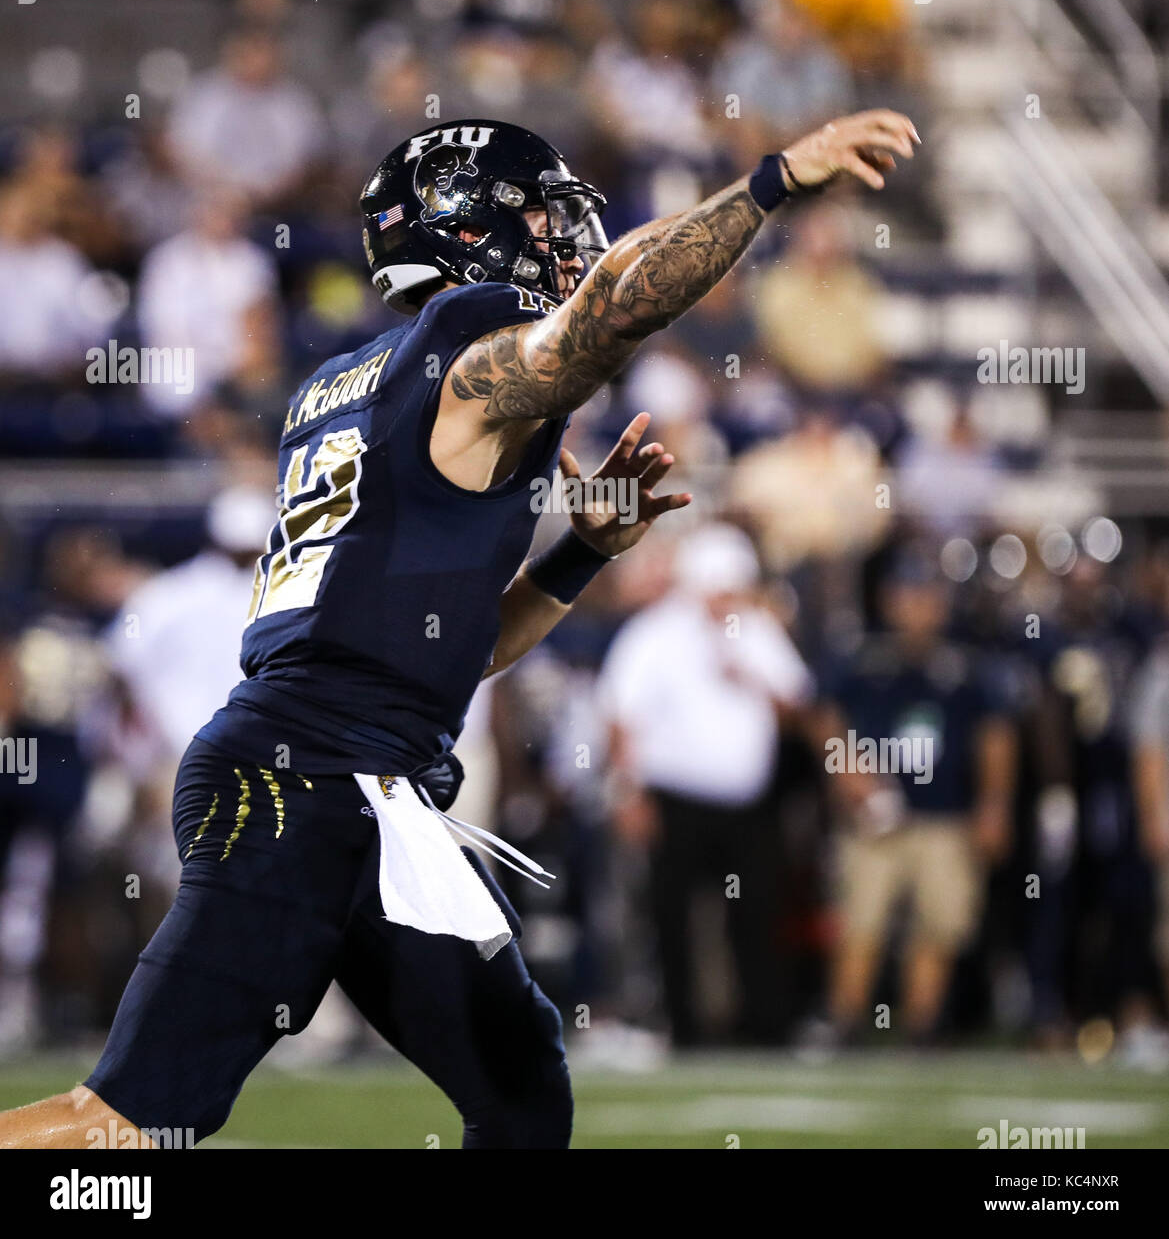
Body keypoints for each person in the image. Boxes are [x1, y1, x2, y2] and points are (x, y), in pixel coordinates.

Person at [0, 107, 918, 1148]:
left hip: (363, 785)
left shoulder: (345, 385)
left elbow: (455, 653)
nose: (562, 233)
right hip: (305, 785)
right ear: (472, 230)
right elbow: (612, 309)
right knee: (125, 1129)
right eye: (538, 210)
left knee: (519, 1096)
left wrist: (580, 554)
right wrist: (770, 182)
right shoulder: (461, 344)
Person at [598, 523, 814, 1046]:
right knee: (673, 917)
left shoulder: (758, 630)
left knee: (757, 913)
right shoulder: (654, 632)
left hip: (746, 803)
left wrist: (752, 678)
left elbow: (799, 707)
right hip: (675, 798)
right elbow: (620, 716)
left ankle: (764, 1029)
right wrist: (628, 793)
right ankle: (684, 1029)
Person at [819, 553, 1016, 1043]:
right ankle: (845, 1024)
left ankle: (920, 1029)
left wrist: (994, 805)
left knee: (939, 925)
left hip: (945, 816)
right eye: (908, 598)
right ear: (890, 603)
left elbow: (995, 737)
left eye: (926, 598)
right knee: (861, 921)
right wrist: (848, 769)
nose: (917, 609)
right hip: (874, 820)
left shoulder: (967, 669)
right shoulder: (862, 662)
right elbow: (822, 716)